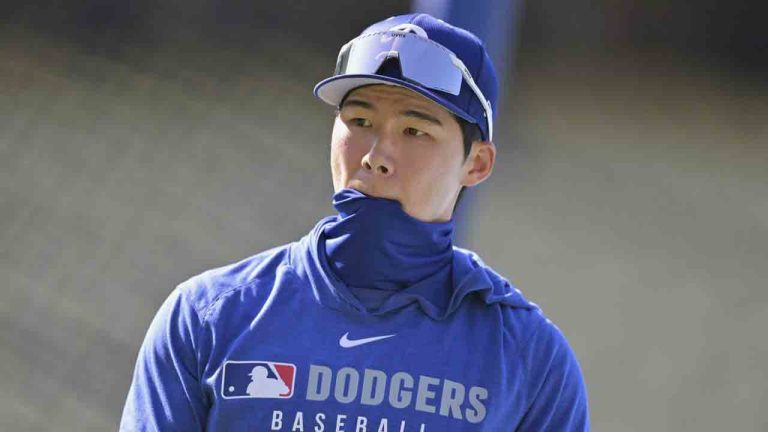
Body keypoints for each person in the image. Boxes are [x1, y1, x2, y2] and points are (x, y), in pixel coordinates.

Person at [120, 13, 589, 431]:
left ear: (477, 164)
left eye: (414, 131)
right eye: (360, 120)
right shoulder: (209, 319)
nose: (375, 156)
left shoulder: (527, 357)